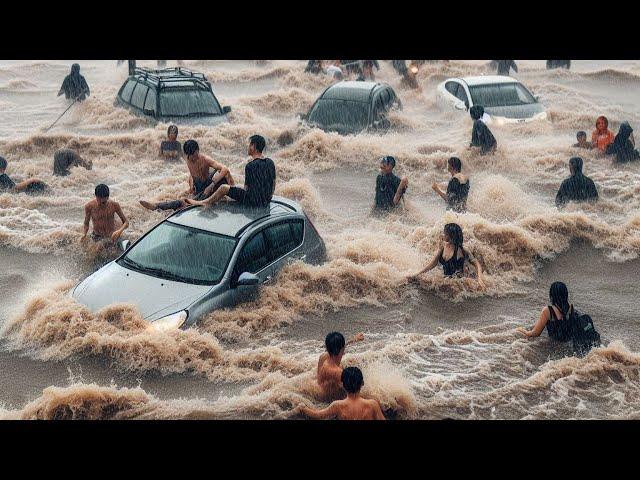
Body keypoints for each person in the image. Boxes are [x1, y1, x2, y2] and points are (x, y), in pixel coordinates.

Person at [140, 139, 233, 211]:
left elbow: (225, 169)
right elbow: (192, 174)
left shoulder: (205, 159)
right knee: (187, 199)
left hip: (206, 187)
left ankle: (157, 206)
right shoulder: (188, 158)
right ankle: (158, 206)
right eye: (190, 156)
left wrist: (211, 185)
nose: (192, 158)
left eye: (194, 156)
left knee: (184, 202)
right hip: (198, 187)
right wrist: (191, 183)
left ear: (197, 151)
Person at [185, 135, 276, 209]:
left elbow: (246, 188)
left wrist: (236, 195)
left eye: (249, 145)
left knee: (224, 188)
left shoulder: (250, 166)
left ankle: (205, 202)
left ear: (253, 146)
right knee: (233, 187)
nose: (248, 147)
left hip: (252, 201)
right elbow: (273, 185)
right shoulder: (270, 162)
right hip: (266, 200)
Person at [408, 223, 485, 288]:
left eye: (445, 233)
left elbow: (477, 264)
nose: (443, 234)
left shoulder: (462, 250)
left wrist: (480, 279)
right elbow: (432, 264)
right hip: (447, 281)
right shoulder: (443, 247)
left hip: (459, 284)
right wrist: (417, 274)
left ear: (450, 235)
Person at [297, 367, 386, 420]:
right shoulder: (372, 404)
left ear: (343, 385)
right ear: (362, 383)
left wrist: (303, 408)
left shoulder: (337, 405)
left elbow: (318, 415)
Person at [315, 331, 365, 399]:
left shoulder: (323, 357)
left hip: (320, 388)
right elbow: (355, 390)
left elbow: (338, 347)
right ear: (342, 349)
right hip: (328, 399)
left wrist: (354, 339)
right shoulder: (338, 372)